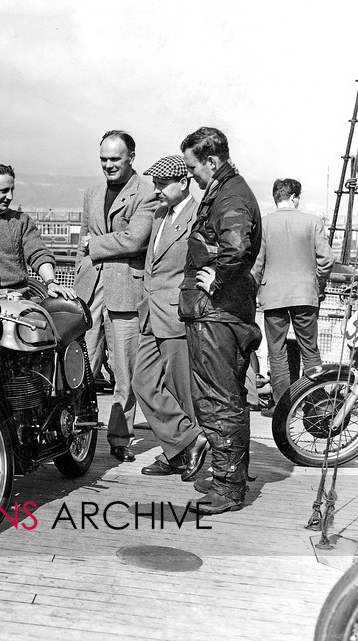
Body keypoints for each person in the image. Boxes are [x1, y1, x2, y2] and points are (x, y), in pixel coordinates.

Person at [179, 127, 262, 514]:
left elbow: (237, 246)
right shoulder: (229, 190)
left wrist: (219, 277)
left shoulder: (230, 194)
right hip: (220, 312)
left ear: (211, 161)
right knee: (226, 396)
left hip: (217, 315)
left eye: (194, 166)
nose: (192, 174)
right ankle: (227, 472)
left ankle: (228, 488)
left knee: (219, 398)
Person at [74, 130, 158, 462]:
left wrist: (93, 247)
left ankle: (119, 439)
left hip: (125, 293)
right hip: (90, 292)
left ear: (131, 158)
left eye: (115, 159)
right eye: (103, 159)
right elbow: (85, 232)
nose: (108, 165)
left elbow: (135, 240)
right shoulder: (92, 193)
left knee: (125, 372)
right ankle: (75, 437)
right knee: (80, 369)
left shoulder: (146, 193)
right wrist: (84, 263)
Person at [132, 155, 208, 479]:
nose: (157, 190)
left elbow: (206, 259)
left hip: (178, 314)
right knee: (143, 383)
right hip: (151, 312)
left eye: (163, 184)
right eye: (155, 183)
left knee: (182, 390)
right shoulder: (160, 212)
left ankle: (180, 454)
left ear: (183, 183)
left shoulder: (196, 215)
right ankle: (187, 442)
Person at [251, 178, 334, 417]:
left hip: (273, 295)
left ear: (277, 197)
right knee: (310, 350)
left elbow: (257, 264)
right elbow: (326, 261)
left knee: (276, 352)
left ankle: (283, 407)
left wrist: (254, 291)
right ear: (295, 197)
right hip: (305, 294)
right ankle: (317, 406)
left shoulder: (264, 224)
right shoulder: (312, 221)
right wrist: (317, 282)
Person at [0, 162, 76, 299]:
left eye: (12, 190)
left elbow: (37, 252)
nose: (10, 197)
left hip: (19, 299)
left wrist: (51, 282)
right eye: (4, 191)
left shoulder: (21, 220)